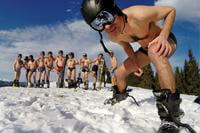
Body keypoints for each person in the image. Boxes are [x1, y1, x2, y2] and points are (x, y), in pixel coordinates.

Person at [81, 0, 186, 132]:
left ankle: (172, 117)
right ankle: (120, 96)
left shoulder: (138, 14)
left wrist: (163, 36)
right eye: (98, 24)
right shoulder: (113, 36)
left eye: (105, 17)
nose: (106, 26)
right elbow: (126, 46)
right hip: (146, 50)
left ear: (114, 10)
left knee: (154, 51)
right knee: (119, 73)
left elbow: (171, 11)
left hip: (166, 40)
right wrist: (135, 64)